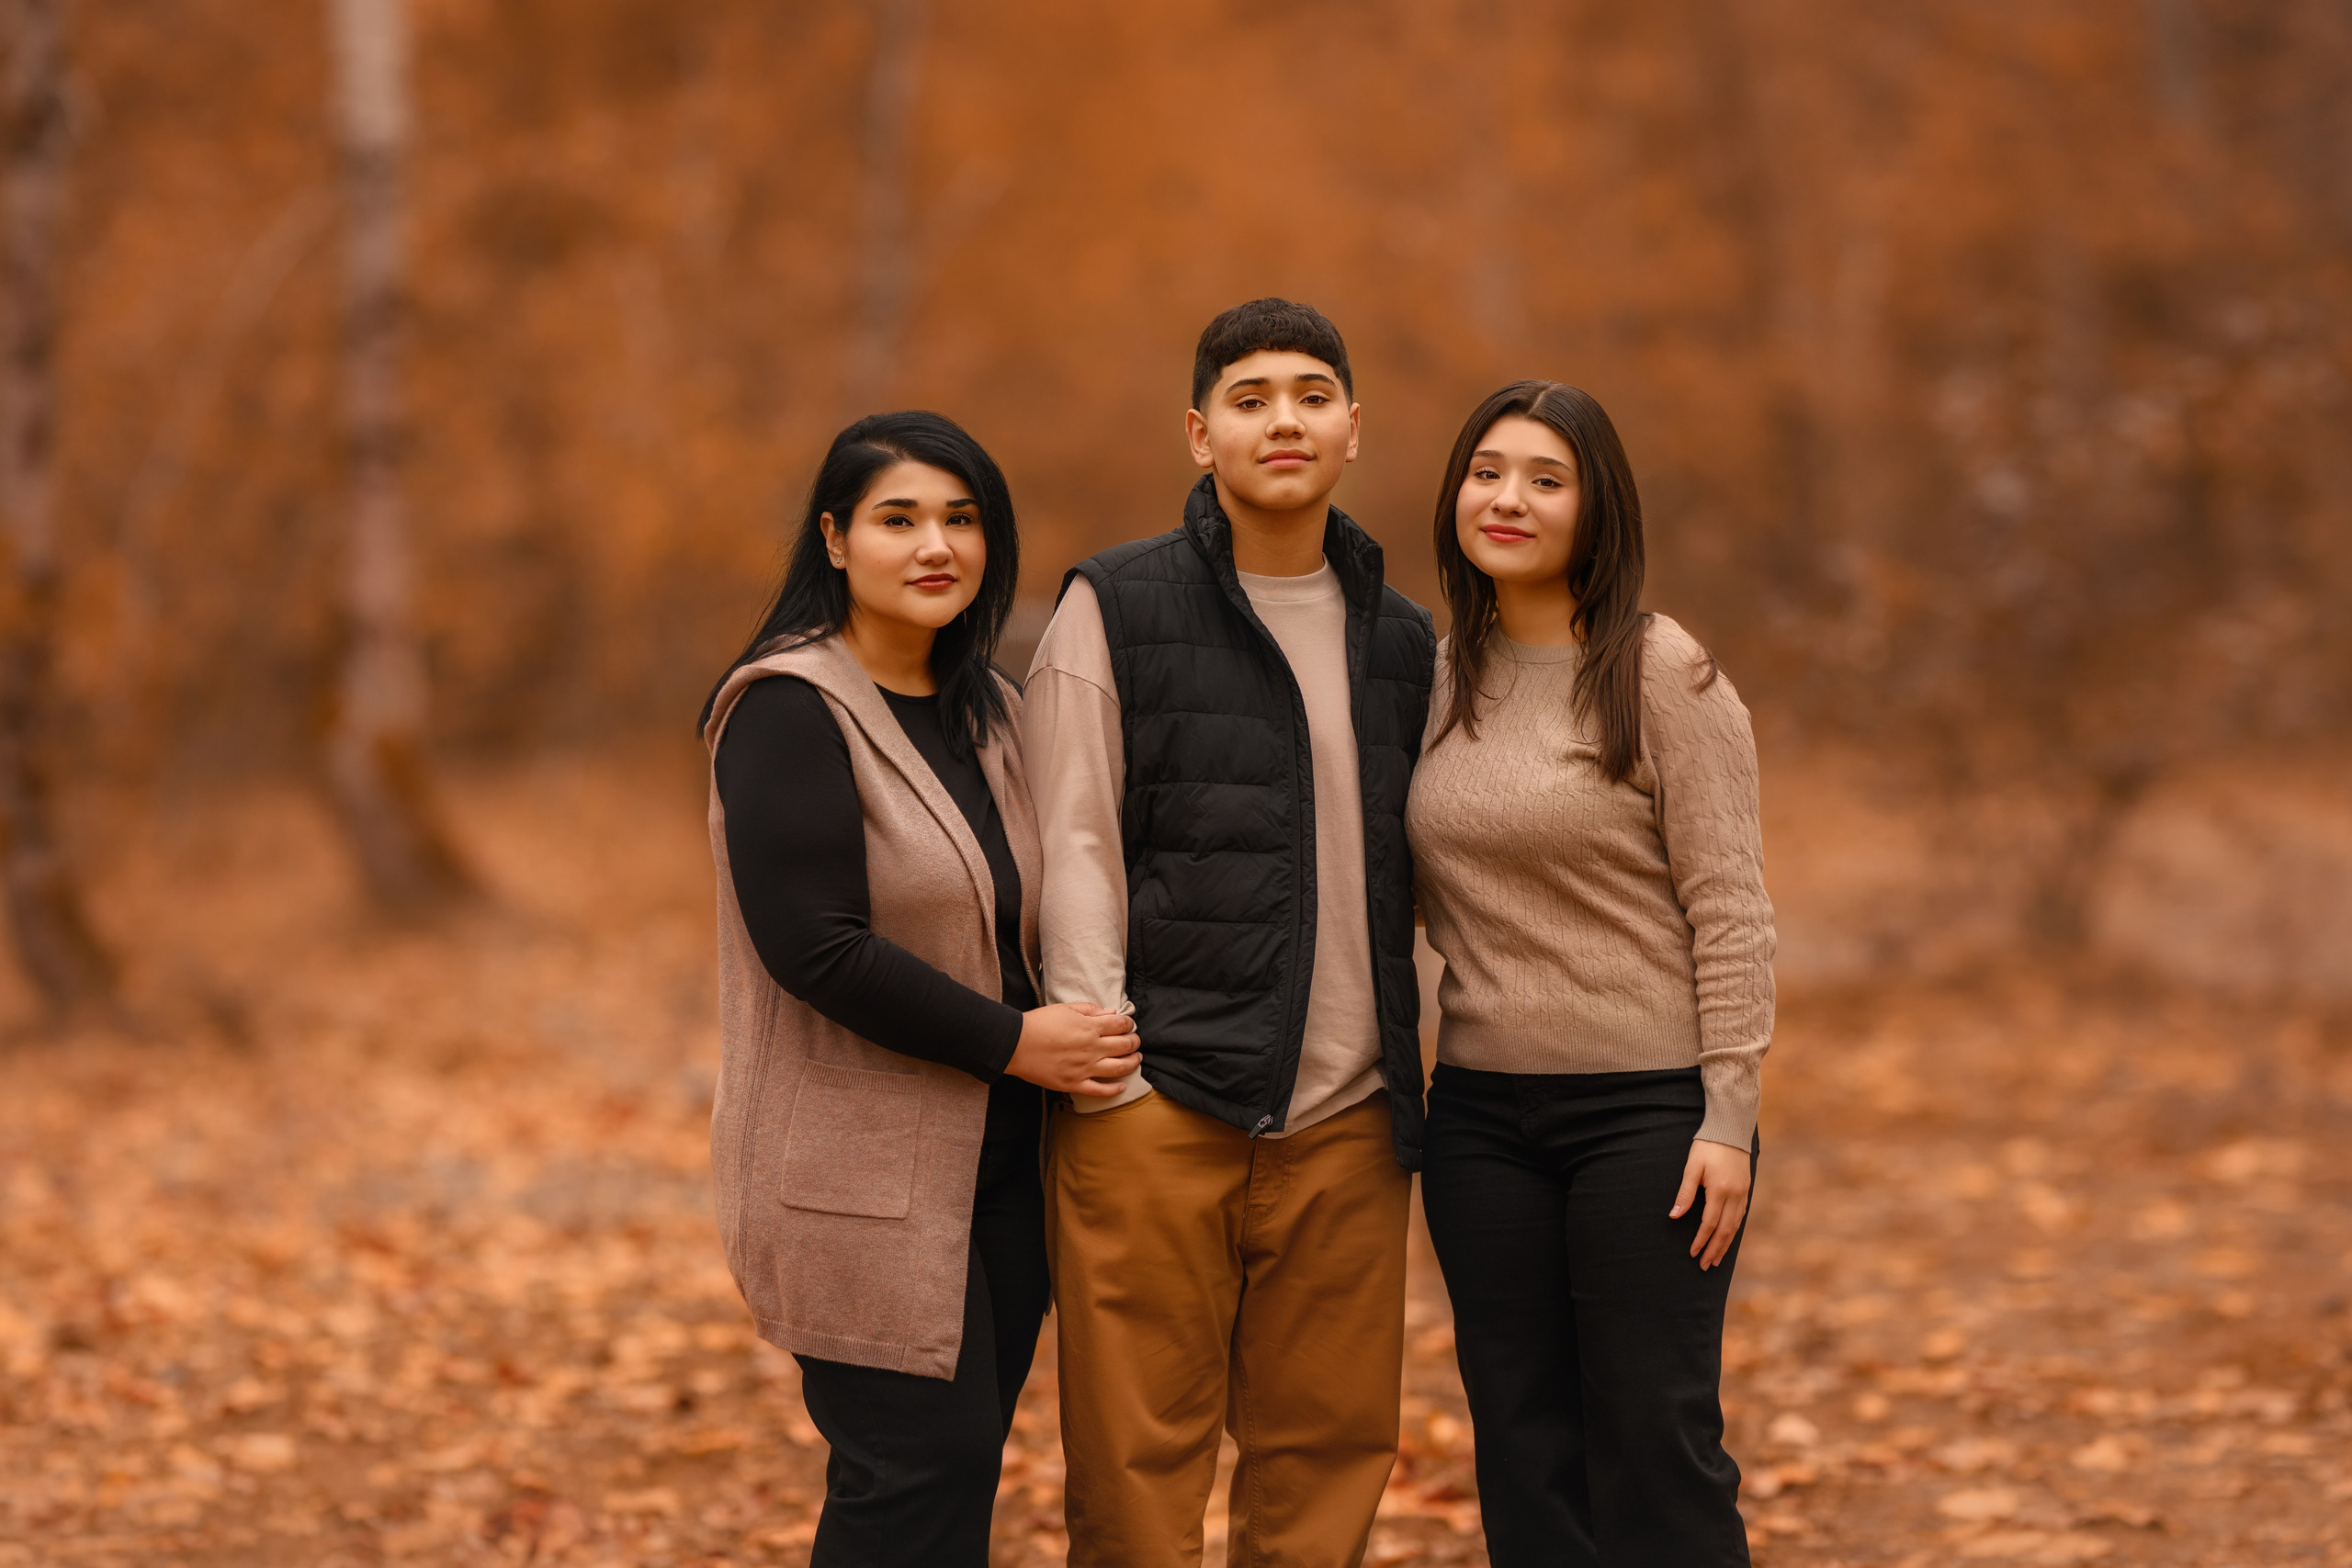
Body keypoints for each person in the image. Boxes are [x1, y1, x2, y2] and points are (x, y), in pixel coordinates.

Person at [1022, 299, 1434, 1567]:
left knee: (1325, 1467)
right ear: (1200, 435)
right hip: (1159, 1105)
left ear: (1354, 428)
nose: (1283, 420)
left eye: (1312, 395)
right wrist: (1109, 1072)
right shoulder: (1114, 603)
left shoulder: (1402, 636)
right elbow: (1074, 836)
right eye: (1249, 399)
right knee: (1134, 1478)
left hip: (1348, 1120)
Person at [698, 411, 1141, 1567]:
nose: (936, 545)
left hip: (1002, 1176)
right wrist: (1015, 1043)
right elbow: (817, 948)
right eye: (898, 519)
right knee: (916, 1476)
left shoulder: (992, 712)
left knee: (948, 1484)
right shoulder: (787, 707)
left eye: (961, 519)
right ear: (835, 539)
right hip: (852, 1180)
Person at [1407, 380, 1775, 1567]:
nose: (1507, 498)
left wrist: (1728, 1114)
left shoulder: (1659, 669)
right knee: (1522, 1445)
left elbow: (1730, 906)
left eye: (1545, 478)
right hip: (1478, 1119)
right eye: (1487, 472)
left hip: (1648, 1115)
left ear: (1595, 506)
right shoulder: (1433, 677)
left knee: (1654, 1439)